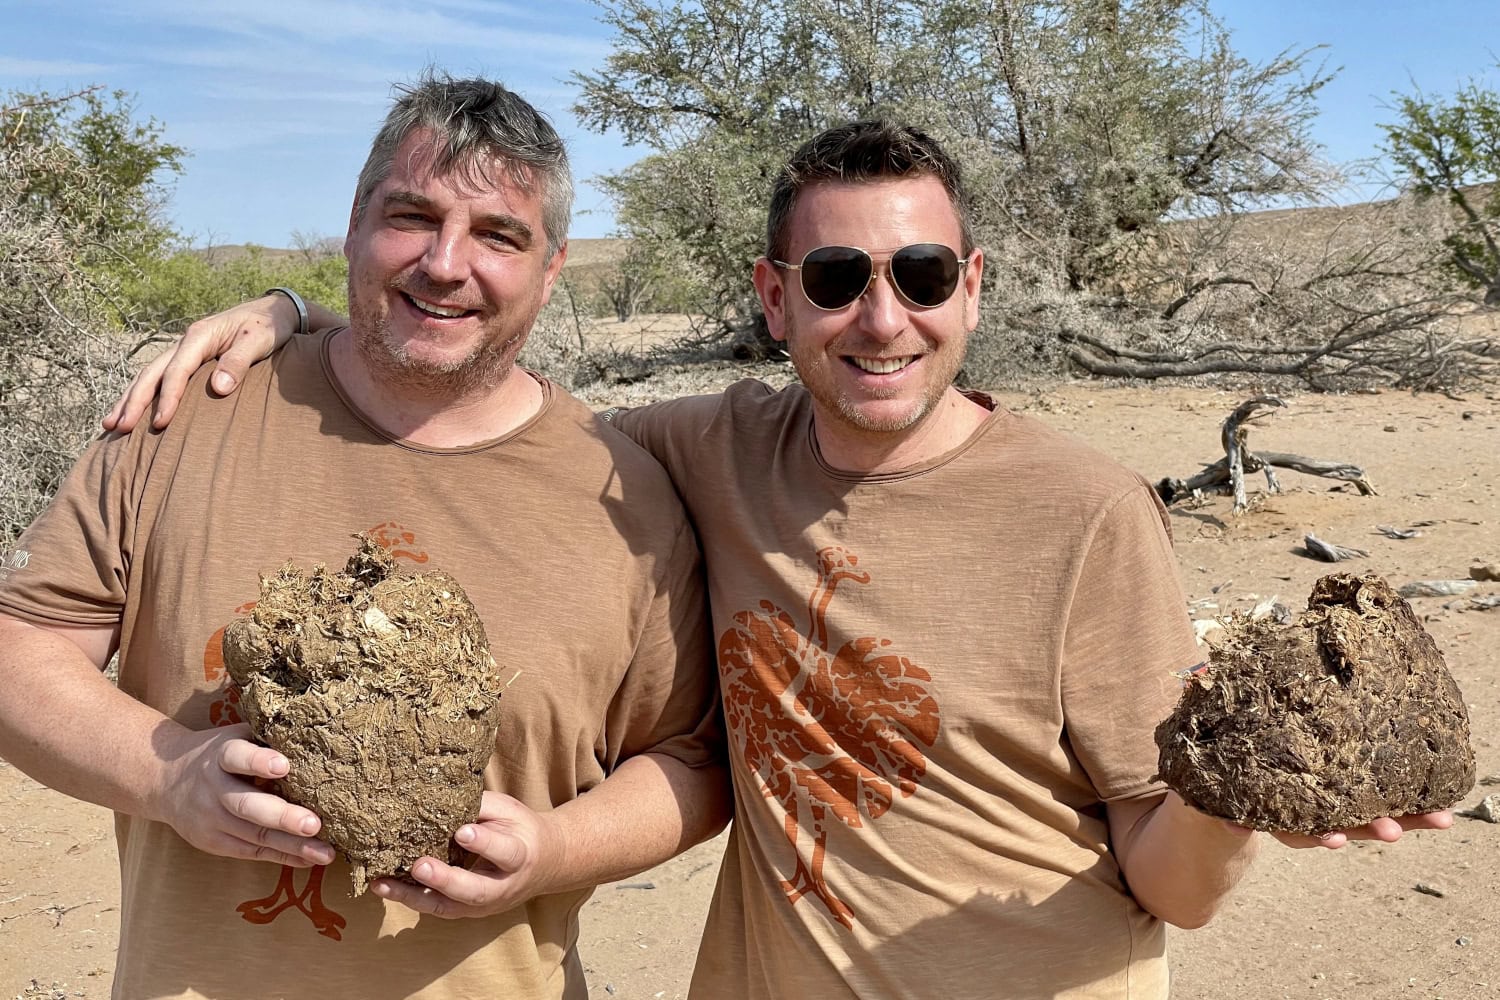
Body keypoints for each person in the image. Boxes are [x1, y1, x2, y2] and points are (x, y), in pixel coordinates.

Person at [110, 120, 1453, 999]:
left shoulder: (1087, 511)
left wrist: (1242, 792)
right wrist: (289, 321)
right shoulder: (701, 454)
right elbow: (483, 391)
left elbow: (1172, 883)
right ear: (772, 298)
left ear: (973, 287)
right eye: (835, 280)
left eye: (924, 276)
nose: (883, 318)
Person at [0, 73, 729, 1000]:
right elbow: (19, 646)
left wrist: (551, 849)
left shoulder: (626, 496)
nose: (445, 263)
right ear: (353, 221)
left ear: (551, 269)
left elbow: (690, 758)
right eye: (412, 216)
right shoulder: (187, 416)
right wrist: (170, 776)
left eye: (498, 235)